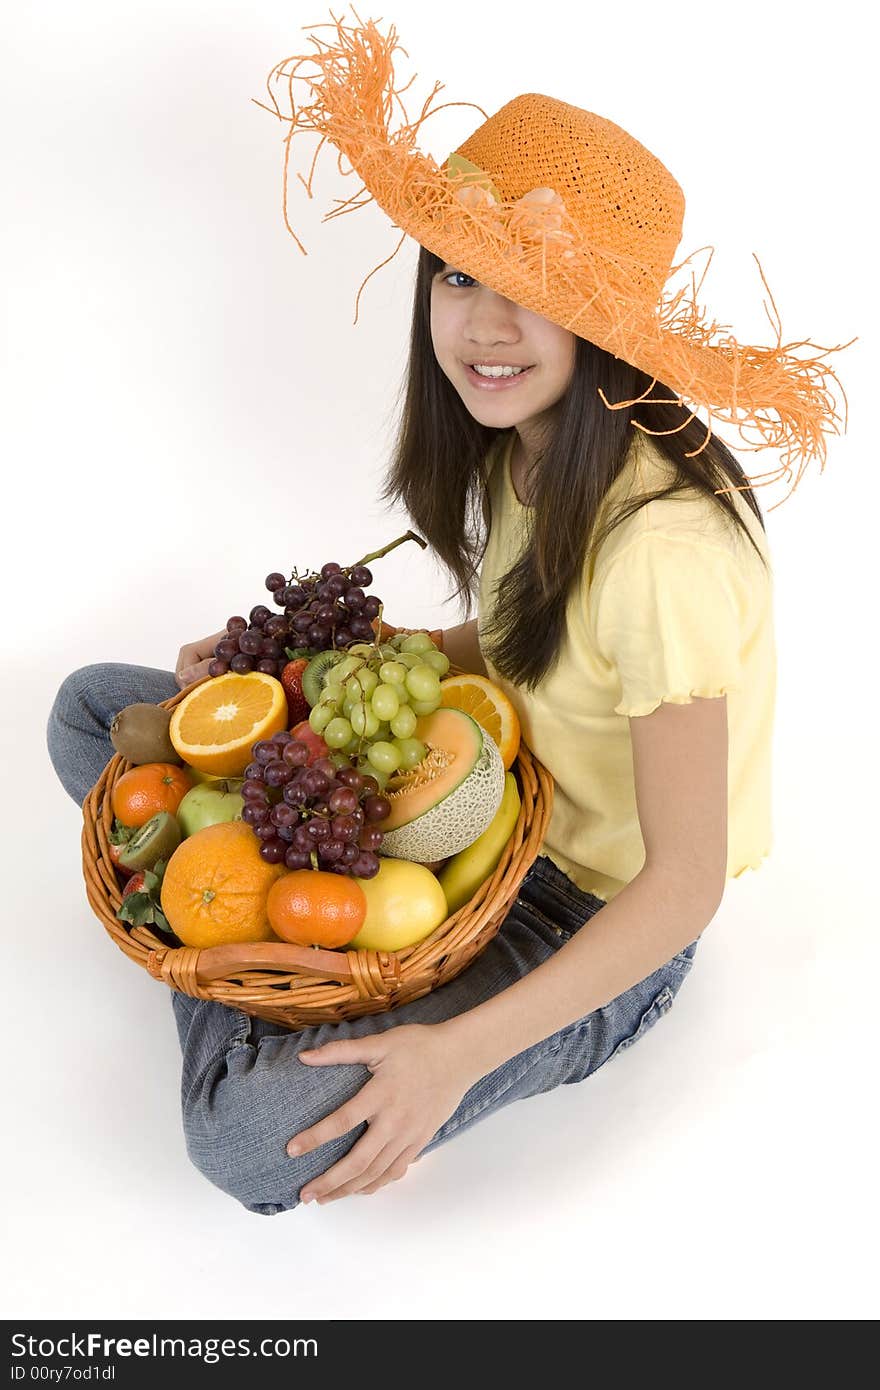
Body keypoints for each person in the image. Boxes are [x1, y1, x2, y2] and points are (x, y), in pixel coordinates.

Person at [46, 12, 850, 1216]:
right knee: (93, 713)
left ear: (611, 331)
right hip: (482, 781)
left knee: (246, 1140)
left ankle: (250, 955)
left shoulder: (662, 551)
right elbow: (520, 645)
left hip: (592, 914)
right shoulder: (526, 447)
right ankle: (279, 954)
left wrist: (453, 1055)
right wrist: (303, 671)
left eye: (534, 289)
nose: (483, 322)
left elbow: (682, 884)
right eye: (460, 272)